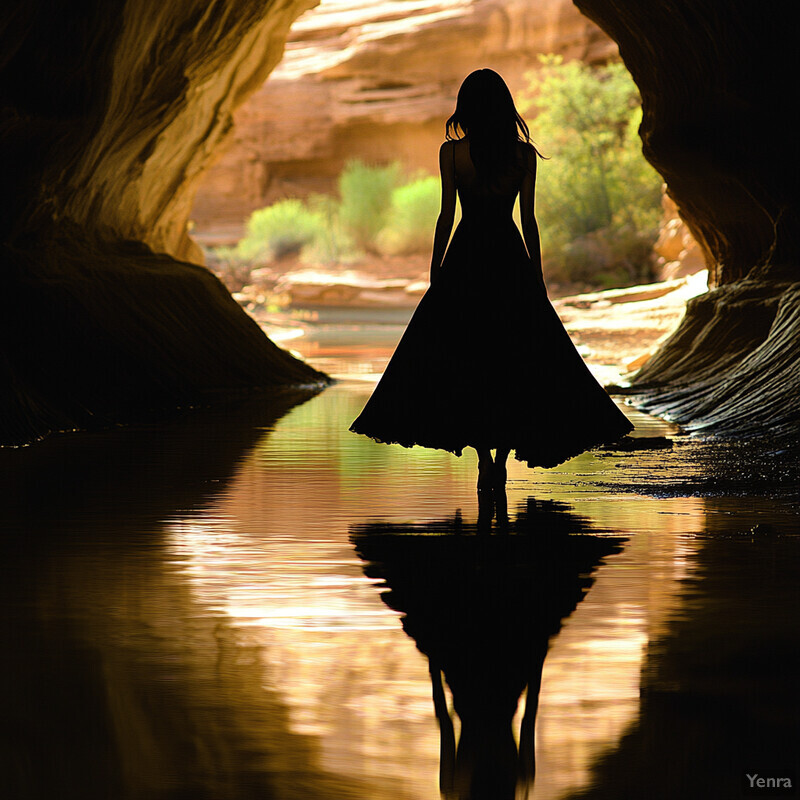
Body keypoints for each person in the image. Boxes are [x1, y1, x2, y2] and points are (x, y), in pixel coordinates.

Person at [349, 68, 633, 490]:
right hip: (508, 257)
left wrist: (435, 271)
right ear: (505, 106)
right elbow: (529, 221)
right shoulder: (523, 156)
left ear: (467, 107)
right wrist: (537, 277)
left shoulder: (452, 154)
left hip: (466, 257)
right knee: (514, 354)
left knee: (468, 354)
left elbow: (447, 215)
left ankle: (483, 456)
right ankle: (500, 456)